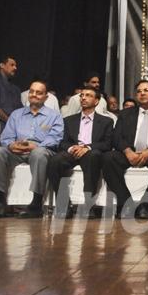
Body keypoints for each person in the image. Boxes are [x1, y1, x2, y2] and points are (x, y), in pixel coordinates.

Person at [0, 80, 63, 218]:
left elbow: (56, 138)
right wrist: (11, 145)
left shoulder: (54, 116)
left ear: (46, 97)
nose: (34, 95)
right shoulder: (16, 114)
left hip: (41, 150)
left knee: (39, 153)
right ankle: (0, 201)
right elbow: (6, 137)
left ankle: (36, 202)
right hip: (17, 151)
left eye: (39, 93)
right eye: (32, 91)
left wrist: (37, 146)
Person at [102, 80, 148, 219]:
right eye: (139, 91)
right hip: (129, 153)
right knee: (108, 158)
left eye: (146, 90)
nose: (142, 93)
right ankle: (126, 203)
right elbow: (116, 137)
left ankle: (147, 204)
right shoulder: (125, 114)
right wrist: (127, 151)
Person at [47, 86, 114, 218]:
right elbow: (62, 142)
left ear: (97, 101)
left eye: (88, 95)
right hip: (73, 151)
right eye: (82, 95)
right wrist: (72, 148)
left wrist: (87, 147)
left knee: (93, 156)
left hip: (91, 151)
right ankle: (64, 205)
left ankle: (89, 204)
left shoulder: (106, 121)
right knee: (54, 161)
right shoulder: (68, 120)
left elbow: (107, 144)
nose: (83, 98)